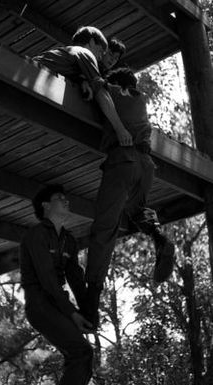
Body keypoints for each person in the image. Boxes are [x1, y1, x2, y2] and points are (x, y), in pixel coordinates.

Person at [82, 67, 175, 328]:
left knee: (104, 228)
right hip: (146, 166)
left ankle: (92, 298)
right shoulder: (140, 99)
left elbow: (99, 91)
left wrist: (118, 126)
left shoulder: (113, 89)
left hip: (122, 159)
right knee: (137, 212)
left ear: (117, 82)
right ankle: (159, 238)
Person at [20, 184, 93, 385]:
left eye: (65, 198)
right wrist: (72, 313)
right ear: (45, 206)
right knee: (82, 352)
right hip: (40, 305)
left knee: (83, 355)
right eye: (60, 198)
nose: (66, 200)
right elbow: (48, 281)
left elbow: (76, 278)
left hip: (57, 304)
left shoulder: (69, 240)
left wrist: (87, 311)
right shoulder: (36, 235)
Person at [32, 25, 132, 147]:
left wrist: (81, 81)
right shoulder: (84, 52)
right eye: (101, 51)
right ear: (90, 42)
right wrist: (120, 129)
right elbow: (101, 93)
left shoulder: (67, 53)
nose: (100, 57)